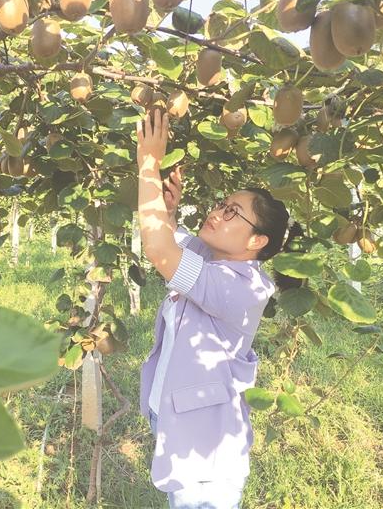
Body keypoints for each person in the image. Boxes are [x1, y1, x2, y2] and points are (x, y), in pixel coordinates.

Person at [135, 108, 301, 509]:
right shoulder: (212, 260)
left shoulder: (242, 286)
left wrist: (149, 162)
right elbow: (171, 245)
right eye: (221, 204)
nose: (216, 212)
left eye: (232, 212)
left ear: (257, 241)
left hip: (206, 456)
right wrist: (170, 212)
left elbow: (159, 251)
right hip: (178, 422)